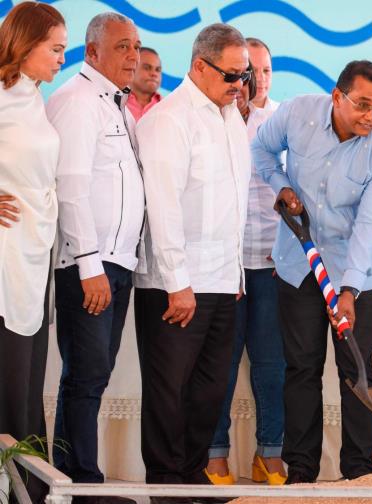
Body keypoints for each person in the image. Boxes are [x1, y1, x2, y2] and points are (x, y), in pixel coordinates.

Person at [252, 60, 372, 483]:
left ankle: (359, 472)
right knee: (301, 368)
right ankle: (302, 470)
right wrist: (280, 184)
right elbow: (262, 148)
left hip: (358, 273)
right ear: (337, 97)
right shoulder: (297, 113)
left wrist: (349, 290)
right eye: (363, 105)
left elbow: (370, 227)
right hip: (298, 267)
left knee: (358, 371)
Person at [134, 23, 250, 492]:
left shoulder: (231, 118)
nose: (239, 86)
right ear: (200, 66)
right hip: (175, 284)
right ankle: (165, 486)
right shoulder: (170, 119)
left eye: (246, 77)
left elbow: (232, 204)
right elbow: (162, 207)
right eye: (231, 76)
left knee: (209, 393)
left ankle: (190, 480)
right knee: (169, 393)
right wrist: (177, 282)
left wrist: (237, 271)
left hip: (223, 280)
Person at [46, 12, 143, 497]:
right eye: (122, 46)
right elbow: (71, 189)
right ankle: (78, 482)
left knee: (94, 377)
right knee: (84, 378)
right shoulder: (76, 102)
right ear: (92, 52)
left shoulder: (117, 105)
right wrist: (89, 266)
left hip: (118, 261)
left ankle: (75, 478)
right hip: (91, 264)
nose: (134, 56)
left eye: (137, 46)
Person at [206, 37, 286, 486]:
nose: (256, 79)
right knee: (220, 361)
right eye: (248, 70)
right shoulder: (212, 119)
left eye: (266, 70)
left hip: (271, 262)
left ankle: (269, 454)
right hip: (222, 265)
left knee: (272, 364)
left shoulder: (282, 122)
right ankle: (216, 454)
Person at [0, 3, 66, 502]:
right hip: (3, 257)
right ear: (25, 45)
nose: (62, 58)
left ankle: (27, 486)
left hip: (33, 253)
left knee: (27, 371)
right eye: (56, 48)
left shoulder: (36, 99)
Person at [127, 46, 161, 121]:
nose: (154, 74)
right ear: (131, 68)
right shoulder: (115, 103)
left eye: (158, 70)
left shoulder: (166, 106)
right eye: (147, 68)